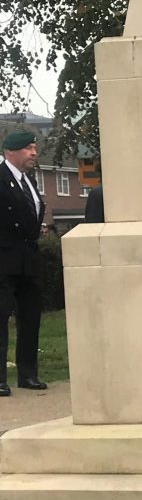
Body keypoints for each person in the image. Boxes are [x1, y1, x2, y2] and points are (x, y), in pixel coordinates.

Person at [0, 130, 48, 396]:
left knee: (30, 318)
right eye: (28, 148)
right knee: (0, 318)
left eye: (34, 148)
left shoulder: (28, 181)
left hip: (28, 261)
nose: (33, 153)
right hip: (4, 260)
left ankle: (27, 373)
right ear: (11, 151)